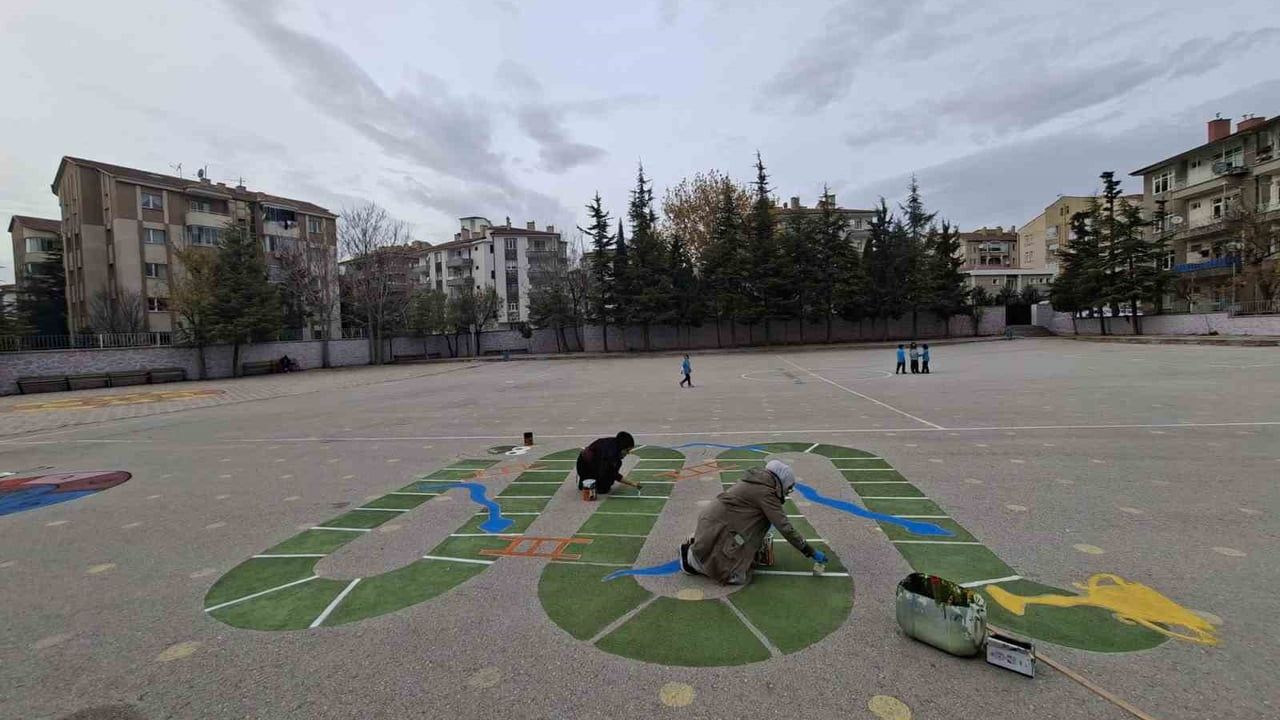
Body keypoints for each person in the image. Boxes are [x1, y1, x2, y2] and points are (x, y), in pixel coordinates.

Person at [679, 459, 827, 585]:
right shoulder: (766, 492)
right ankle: (690, 558)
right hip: (717, 525)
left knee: (745, 560)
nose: (788, 491)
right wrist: (810, 551)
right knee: (735, 577)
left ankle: (700, 544)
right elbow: (785, 528)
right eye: (789, 487)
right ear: (781, 482)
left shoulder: (759, 482)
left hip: (713, 523)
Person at [576, 431, 643, 495]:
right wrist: (631, 483)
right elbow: (612, 473)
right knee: (604, 487)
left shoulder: (616, 444)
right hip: (583, 467)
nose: (628, 453)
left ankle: (586, 480)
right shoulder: (610, 454)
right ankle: (586, 479)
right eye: (627, 450)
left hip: (591, 463)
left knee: (614, 467)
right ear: (621, 448)